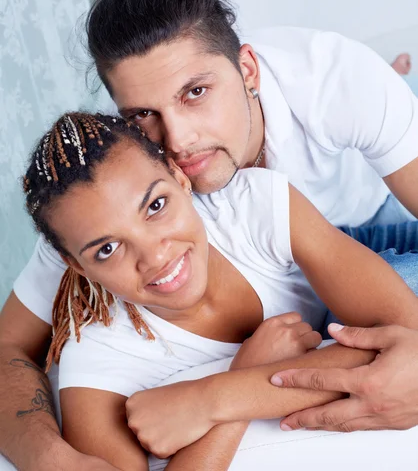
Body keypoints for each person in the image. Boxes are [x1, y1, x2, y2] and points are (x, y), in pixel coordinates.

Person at [1, 0, 418, 470]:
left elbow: (402, 338)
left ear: (247, 68)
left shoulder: (333, 85)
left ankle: (403, 74)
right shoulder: (115, 188)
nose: (178, 140)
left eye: (195, 92)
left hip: (374, 224)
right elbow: (9, 347)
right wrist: (50, 460)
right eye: (144, 115)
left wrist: (216, 397)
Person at [20, 111, 418, 470]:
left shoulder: (251, 204)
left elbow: (409, 344)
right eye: (107, 249)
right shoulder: (98, 364)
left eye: (156, 206)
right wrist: (239, 386)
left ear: (179, 178)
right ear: (75, 264)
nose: (155, 256)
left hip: (360, 236)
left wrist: (216, 397)